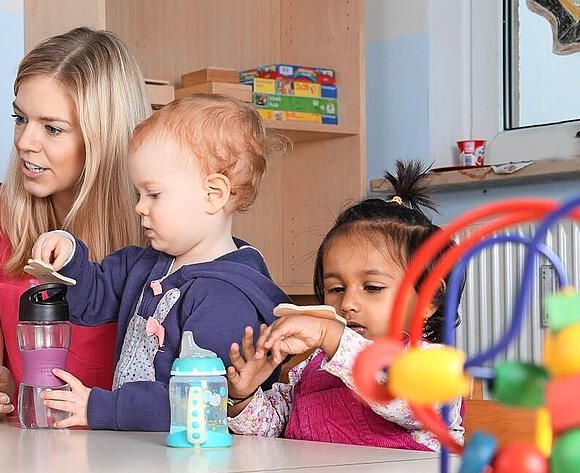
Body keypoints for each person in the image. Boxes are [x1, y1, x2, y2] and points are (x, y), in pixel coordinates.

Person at [32, 94, 290, 431]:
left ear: (213, 194)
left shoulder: (225, 297)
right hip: (140, 448)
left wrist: (101, 407)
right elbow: (91, 301)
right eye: (139, 194)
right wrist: (68, 255)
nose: (140, 207)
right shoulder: (143, 264)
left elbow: (197, 403)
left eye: (154, 194)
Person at [0, 27, 151, 421]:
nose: (25, 141)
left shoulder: (156, 228)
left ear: (104, 137)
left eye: (52, 128)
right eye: (20, 118)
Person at [226, 161, 465, 451]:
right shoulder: (316, 366)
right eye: (336, 289)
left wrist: (333, 337)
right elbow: (275, 429)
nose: (348, 303)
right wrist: (244, 397)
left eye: (373, 288)